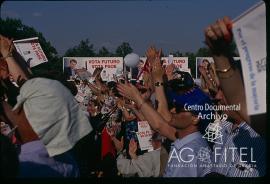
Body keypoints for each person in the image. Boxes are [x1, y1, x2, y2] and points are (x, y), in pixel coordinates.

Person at [0, 35, 92, 177]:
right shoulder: (66, 161)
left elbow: (26, 83)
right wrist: (11, 56)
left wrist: (9, 57)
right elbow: (27, 81)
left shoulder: (25, 165)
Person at [117, 48, 213, 177]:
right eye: (173, 104)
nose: (172, 109)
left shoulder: (190, 152)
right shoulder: (185, 138)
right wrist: (154, 74)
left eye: (178, 108)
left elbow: (162, 118)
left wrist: (139, 98)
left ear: (196, 118)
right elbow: (160, 124)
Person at [203, 16, 266, 177]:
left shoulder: (259, 135)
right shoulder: (221, 126)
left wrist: (222, 55)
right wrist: (219, 52)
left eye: (223, 90)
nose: (216, 96)